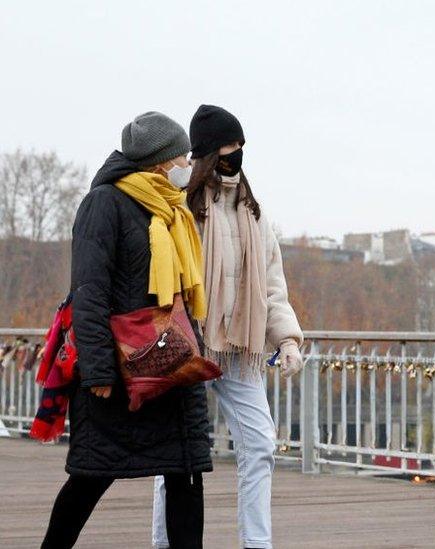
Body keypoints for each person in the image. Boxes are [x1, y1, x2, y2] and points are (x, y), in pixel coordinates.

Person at [41, 112, 212, 549]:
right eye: (182, 157)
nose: (187, 165)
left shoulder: (171, 210)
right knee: (90, 477)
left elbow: (178, 293)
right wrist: (98, 371)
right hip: (119, 368)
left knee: (186, 476)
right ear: (159, 161)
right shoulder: (105, 203)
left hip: (172, 366)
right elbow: (89, 292)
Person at [151, 105, 304, 549]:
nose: (234, 156)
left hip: (240, 347)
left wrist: (288, 339)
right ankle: (164, 542)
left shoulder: (255, 214)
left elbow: (272, 285)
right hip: (189, 345)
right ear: (205, 154)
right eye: (225, 148)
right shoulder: (181, 208)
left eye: (239, 147)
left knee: (260, 445)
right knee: (175, 456)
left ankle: (257, 544)